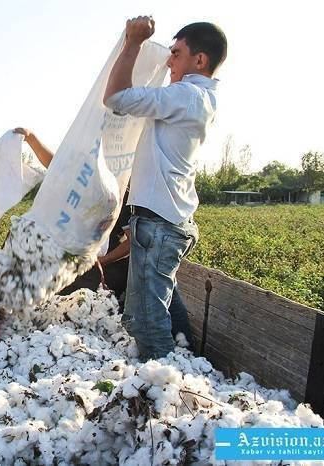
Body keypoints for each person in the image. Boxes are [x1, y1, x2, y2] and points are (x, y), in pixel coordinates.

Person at [103, 17, 227, 360]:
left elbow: (115, 97)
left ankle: (164, 390)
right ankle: (187, 363)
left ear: (199, 60)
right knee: (163, 302)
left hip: (160, 226)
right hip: (166, 221)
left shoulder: (186, 95)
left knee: (145, 320)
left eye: (176, 53)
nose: (168, 61)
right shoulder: (198, 100)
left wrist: (132, 42)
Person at [14, 128, 193, 345]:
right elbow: (55, 166)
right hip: (89, 259)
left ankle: (181, 343)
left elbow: (129, 244)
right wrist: (31, 138)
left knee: (160, 292)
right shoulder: (81, 186)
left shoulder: (121, 194)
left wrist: (100, 260)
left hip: (114, 263)